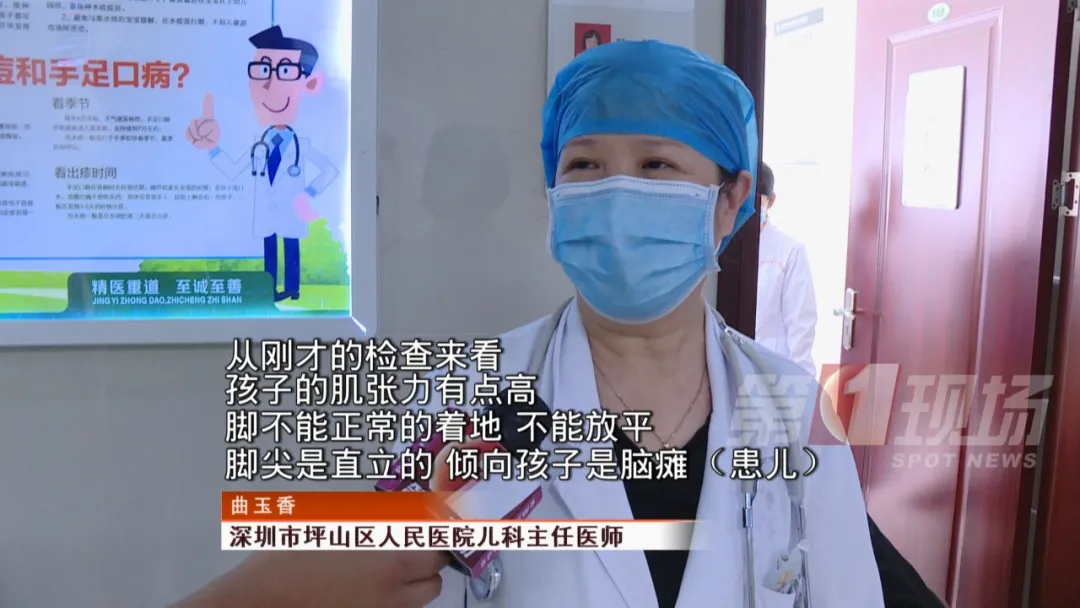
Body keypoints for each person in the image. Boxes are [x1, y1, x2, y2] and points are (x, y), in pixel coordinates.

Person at [173, 40, 883, 608]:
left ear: (730, 201)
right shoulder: (462, 395)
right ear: (555, 196)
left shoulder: (794, 411)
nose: (615, 192)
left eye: (656, 164)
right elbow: (407, 582)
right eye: (585, 165)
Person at [185, 25, 339, 302]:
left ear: (309, 84)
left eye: (285, 71)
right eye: (263, 70)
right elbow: (234, 170)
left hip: (291, 210)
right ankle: (270, 289)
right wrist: (212, 149)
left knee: (291, 247)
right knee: (270, 249)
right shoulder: (260, 142)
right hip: (267, 212)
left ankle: (292, 289)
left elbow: (329, 170)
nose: (270, 85)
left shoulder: (302, 144)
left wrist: (309, 193)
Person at [756, 162, 818, 376]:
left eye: (755, 200)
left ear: (771, 200)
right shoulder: (720, 246)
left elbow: (801, 326)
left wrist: (796, 384)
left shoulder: (790, 251)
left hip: (772, 374)